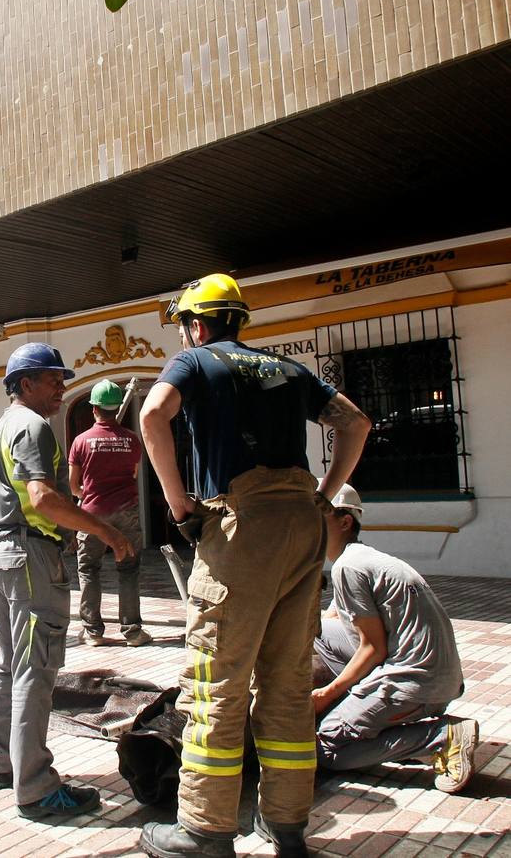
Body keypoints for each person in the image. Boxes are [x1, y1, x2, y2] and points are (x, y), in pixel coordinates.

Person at [138, 273, 371, 858]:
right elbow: (356, 423)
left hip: (242, 525)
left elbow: (152, 416)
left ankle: (205, 830)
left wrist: (176, 504)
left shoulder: (194, 364)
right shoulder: (288, 370)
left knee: (218, 681)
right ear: (238, 319)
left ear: (196, 322)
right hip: (302, 527)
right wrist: (325, 493)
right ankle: (287, 827)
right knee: (288, 682)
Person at [0, 343, 136, 819]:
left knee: (12, 663)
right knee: (36, 669)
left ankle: (2, 762)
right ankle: (36, 787)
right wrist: (105, 530)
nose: (61, 388)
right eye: (53, 380)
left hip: (3, 554)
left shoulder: (2, 426)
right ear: (26, 383)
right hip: (28, 559)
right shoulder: (32, 427)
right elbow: (43, 497)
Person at [313, 484, 478, 792]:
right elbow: (328, 623)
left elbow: (373, 648)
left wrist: (326, 695)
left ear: (345, 521)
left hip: (418, 685)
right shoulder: (362, 559)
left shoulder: (349, 568)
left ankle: (440, 738)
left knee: (326, 748)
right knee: (315, 631)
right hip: (437, 678)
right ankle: (363, 710)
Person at [68, 379, 151, 648]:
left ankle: (93, 631)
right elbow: (134, 474)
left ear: (94, 409)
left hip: (91, 514)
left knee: (89, 568)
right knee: (128, 569)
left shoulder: (81, 441)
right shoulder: (132, 439)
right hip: (126, 512)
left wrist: (87, 495)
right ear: (117, 410)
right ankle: (133, 631)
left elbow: (72, 485)